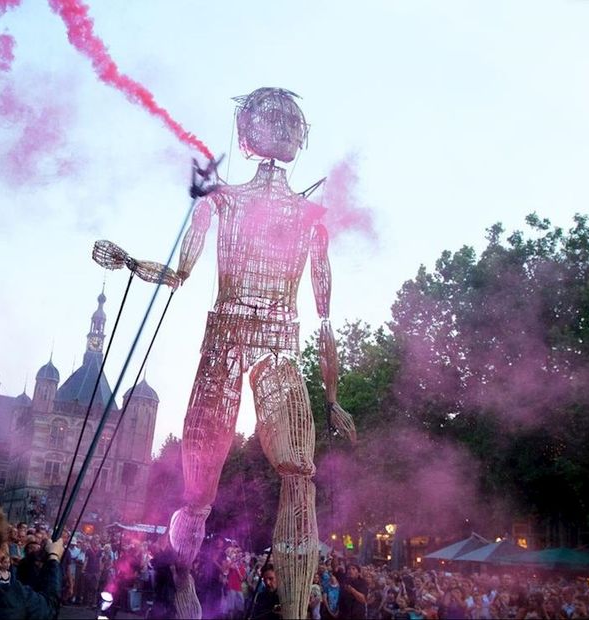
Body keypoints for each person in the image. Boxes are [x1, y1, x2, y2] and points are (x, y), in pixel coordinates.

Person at [162, 87, 355, 620]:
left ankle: (293, 613)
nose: (282, 127)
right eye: (270, 119)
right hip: (225, 337)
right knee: (200, 486)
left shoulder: (310, 215)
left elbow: (324, 316)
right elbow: (179, 273)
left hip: (279, 343)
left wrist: (333, 397)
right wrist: (134, 265)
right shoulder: (222, 199)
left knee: (299, 471)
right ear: (247, 134)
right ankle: (182, 578)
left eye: (290, 120)